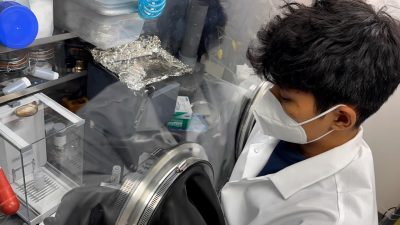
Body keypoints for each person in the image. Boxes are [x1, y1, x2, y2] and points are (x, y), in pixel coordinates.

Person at [221, 0, 400, 225]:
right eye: (272, 85)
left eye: (285, 98)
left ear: (341, 118)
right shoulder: (306, 125)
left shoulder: (331, 217)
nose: (268, 99)